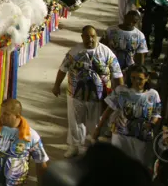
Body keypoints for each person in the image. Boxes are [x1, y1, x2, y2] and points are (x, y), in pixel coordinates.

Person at [52, 25, 124, 157]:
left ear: (96, 36)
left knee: (94, 123)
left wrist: (121, 93)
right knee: (75, 122)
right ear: (82, 37)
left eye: (93, 36)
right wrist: (56, 85)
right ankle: (74, 146)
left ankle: (91, 149)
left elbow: (117, 74)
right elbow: (63, 69)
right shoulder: (74, 52)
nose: (90, 39)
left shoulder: (106, 52)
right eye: (87, 36)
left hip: (97, 97)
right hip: (75, 95)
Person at [92, 64, 161, 169]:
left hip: (140, 137)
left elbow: (156, 114)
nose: (136, 81)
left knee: (138, 165)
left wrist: (151, 124)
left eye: (140, 79)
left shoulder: (153, 95)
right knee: (118, 164)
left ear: (147, 78)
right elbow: (109, 109)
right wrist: (98, 128)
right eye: (133, 78)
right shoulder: (121, 91)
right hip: (120, 134)